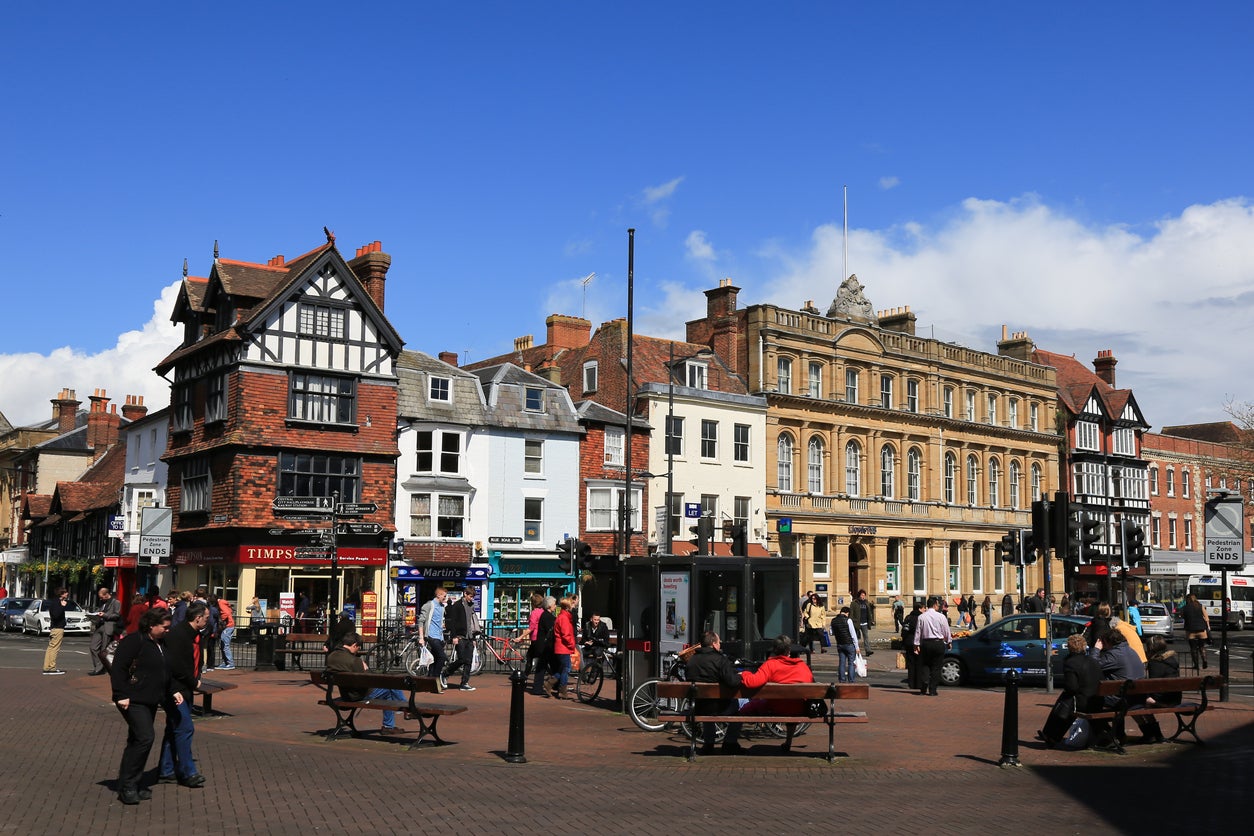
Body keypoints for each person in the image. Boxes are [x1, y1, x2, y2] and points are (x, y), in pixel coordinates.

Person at [111, 607, 180, 804]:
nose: (168, 630)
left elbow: (165, 670)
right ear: (151, 626)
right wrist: (120, 694)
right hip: (133, 699)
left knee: (136, 740)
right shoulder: (135, 641)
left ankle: (131, 782)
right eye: (164, 627)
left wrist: (172, 690)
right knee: (145, 738)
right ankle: (128, 786)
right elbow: (119, 667)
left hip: (150, 699)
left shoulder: (159, 643)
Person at [728, 634, 816, 753]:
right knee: (792, 705)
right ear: (789, 651)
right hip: (799, 708)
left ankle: (730, 742)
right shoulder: (802, 666)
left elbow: (753, 682)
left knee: (740, 711)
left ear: (774, 650)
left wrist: (744, 674)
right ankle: (788, 742)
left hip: (775, 707)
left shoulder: (770, 665)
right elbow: (811, 682)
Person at [158, 601, 208, 789]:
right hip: (175, 689)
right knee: (185, 728)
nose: (208, 621)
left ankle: (166, 770)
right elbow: (176, 666)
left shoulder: (194, 635)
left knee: (174, 729)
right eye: (206, 617)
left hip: (185, 689)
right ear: (197, 618)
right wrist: (193, 682)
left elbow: (194, 661)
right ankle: (188, 772)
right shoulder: (179, 636)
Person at [324, 631, 407, 733]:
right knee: (391, 685)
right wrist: (366, 669)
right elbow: (365, 682)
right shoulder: (354, 660)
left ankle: (390, 725)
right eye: (358, 647)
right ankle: (406, 709)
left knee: (388, 692)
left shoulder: (331, 656)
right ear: (354, 645)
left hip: (345, 693)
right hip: (357, 695)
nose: (358, 650)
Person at [1037, 633, 1102, 747]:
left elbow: (1071, 687)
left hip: (1085, 703)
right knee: (1067, 702)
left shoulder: (1071, 663)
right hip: (1098, 700)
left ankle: (1051, 735)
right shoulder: (1093, 660)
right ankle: (1051, 735)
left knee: (1064, 702)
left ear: (1069, 647)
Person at [684, 631, 742, 755]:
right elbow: (732, 682)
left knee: (707, 704)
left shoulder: (692, 660)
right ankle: (729, 743)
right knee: (738, 709)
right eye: (719, 641)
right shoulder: (720, 660)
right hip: (720, 707)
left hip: (698, 707)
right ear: (714, 644)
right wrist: (740, 676)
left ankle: (708, 744)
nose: (720, 644)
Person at [912, 596, 953, 696]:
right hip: (938, 643)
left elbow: (918, 631)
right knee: (936, 667)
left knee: (925, 665)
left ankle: (924, 686)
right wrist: (949, 641)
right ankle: (932, 690)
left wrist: (916, 644)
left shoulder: (922, 617)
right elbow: (946, 631)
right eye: (938, 604)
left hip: (926, 643)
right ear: (934, 604)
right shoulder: (941, 617)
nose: (939, 606)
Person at [443, 587, 481, 691]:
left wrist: (473, 638)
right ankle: (446, 672)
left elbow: (471, 623)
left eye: (473, 597)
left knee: (468, 661)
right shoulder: (457, 605)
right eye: (470, 596)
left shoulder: (471, 606)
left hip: (469, 637)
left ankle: (464, 683)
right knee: (462, 659)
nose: (471, 599)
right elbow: (452, 622)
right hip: (460, 636)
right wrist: (454, 636)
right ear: (465, 594)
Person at [416, 587, 449, 688]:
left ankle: (429, 682)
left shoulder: (442, 607)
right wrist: (421, 637)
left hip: (439, 637)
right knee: (442, 657)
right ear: (438, 595)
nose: (445, 597)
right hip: (431, 636)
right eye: (444, 595)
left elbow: (439, 621)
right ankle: (435, 680)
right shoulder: (429, 605)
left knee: (434, 660)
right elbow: (421, 621)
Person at [546, 596, 577, 699]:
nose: (573, 606)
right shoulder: (564, 618)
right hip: (563, 647)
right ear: (568, 607)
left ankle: (550, 684)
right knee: (566, 669)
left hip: (561, 647)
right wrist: (572, 645)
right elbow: (566, 635)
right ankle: (562, 691)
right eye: (572, 604)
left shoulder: (563, 616)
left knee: (562, 669)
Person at [89, 587, 122, 676]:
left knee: (104, 649)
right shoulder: (102, 603)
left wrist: (105, 615)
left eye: (101, 597)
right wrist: (91, 615)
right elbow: (98, 612)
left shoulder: (116, 602)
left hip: (108, 627)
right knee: (93, 647)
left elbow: (116, 615)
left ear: (106, 594)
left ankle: (99, 669)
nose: (100, 599)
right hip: (99, 626)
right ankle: (99, 667)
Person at [531, 595, 558, 695]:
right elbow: (552, 631)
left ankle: (540, 687)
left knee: (546, 666)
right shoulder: (547, 617)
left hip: (544, 645)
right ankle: (540, 688)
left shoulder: (546, 615)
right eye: (554, 604)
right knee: (547, 667)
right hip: (546, 646)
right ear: (550, 606)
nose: (555, 606)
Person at [42, 587, 70, 675]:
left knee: (50, 647)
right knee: (55, 648)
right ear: (61, 594)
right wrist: (62, 606)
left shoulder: (54, 602)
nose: (67, 594)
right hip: (58, 628)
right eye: (65, 593)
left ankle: (47, 667)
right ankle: (51, 667)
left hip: (54, 627)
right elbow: (56, 615)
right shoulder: (57, 603)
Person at [523, 592, 547, 690]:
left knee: (530, 658)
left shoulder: (534, 612)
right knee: (542, 659)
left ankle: (524, 678)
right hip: (543, 639)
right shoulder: (543, 612)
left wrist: (520, 637)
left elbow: (531, 628)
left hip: (535, 638)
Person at [1180, 592, 1210, 670]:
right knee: (1202, 647)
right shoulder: (1200, 606)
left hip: (1191, 631)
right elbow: (1206, 618)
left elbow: (1182, 616)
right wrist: (1208, 627)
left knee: (1193, 648)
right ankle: (1205, 661)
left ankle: (1196, 665)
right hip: (1201, 630)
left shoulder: (1185, 608)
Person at [830, 606, 860, 683]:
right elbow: (853, 635)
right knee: (851, 663)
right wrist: (857, 647)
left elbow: (831, 632)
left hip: (840, 644)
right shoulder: (848, 620)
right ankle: (851, 680)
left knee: (842, 663)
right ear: (847, 613)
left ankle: (842, 680)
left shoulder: (833, 620)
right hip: (849, 644)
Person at [900, 600, 924, 691]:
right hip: (918, 643)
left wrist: (903, 641)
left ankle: (911, 683)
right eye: (923, 608)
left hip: (909, 642)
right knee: (919, 663)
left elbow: (904, 630)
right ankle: (918, 683)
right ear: (919, 609)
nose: (924, 610)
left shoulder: (908, 617)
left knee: (910, 664)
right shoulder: (921, 618)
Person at [215, 595, 236, 670]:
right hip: (229, 625)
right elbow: (229, 611)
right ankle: (226, 662)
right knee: (223, 644)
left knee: (225, 644)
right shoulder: (223, 603)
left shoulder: (220, 603)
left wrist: (221, 619)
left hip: (228, 626)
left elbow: (226, 613)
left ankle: (230, 663)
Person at [851, 589, 875, 655]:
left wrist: (871, 621)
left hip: (864, 623)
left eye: (864, 595)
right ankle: (855, 650)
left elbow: (869, 613)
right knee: (856, 638)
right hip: (857, 623)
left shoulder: (866, 603)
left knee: (866, 637)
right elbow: (851, 614)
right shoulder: (854, 603)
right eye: (862, 595)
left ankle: (868, 650)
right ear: (859, 595)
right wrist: (851, 621)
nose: (863, 596)